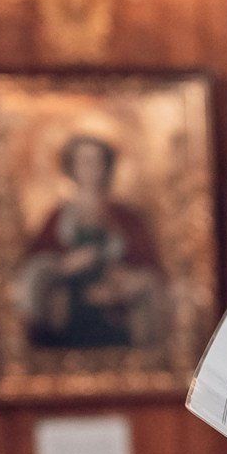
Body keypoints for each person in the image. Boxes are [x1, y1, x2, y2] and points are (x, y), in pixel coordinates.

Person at [16, 133, 161, 350]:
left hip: (116, 316)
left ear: (107, 166)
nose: (91, 168)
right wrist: (62, 266)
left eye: (97, 160)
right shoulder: (56, 218)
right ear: (71, 166)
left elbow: (152, 271)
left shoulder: (127, 219)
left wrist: (126, 282)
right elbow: (30, 271)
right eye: (84, 161)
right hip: (68, 317)